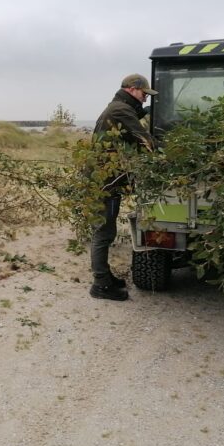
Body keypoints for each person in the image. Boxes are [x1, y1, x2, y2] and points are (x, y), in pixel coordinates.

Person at [89, 73, 157, 301]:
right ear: (132, 89)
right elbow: (144, 139)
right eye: (144, 94)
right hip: (104, 181)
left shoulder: (119, 106)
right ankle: (100, 285)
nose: (146, 99)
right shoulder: (121, 110)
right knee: (104, 232)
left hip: (108, 178)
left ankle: (105, 278)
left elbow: (136, 116)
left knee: (106, 230)